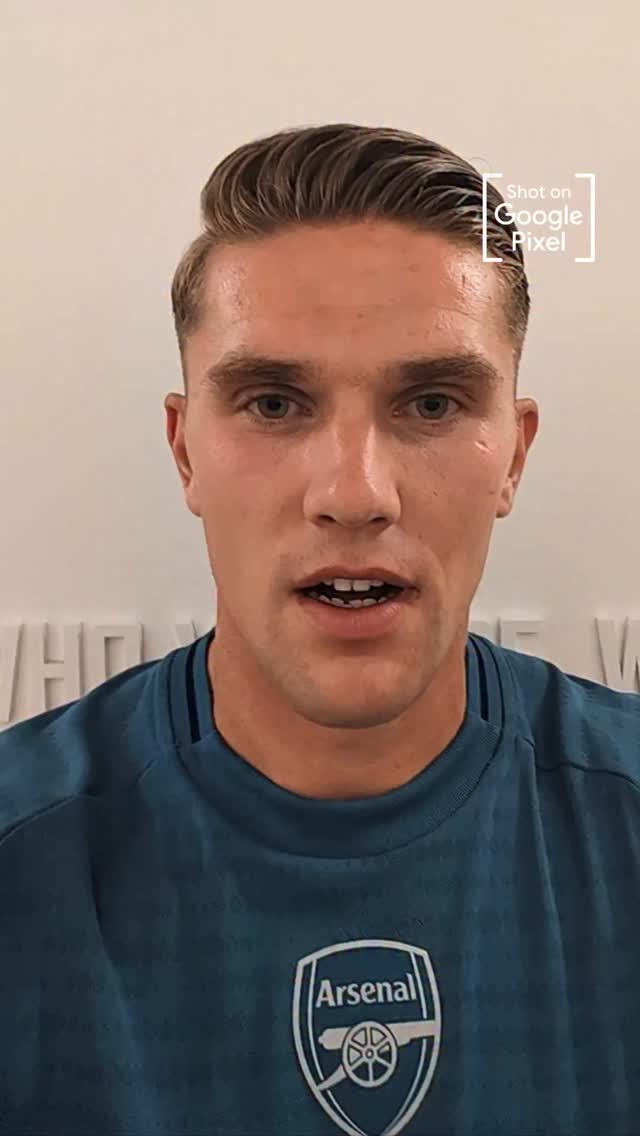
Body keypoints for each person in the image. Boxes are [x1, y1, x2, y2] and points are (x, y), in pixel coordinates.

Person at [1, 123, 637, 1136]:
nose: (354, 492)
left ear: (512, 457)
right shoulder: (24, 854)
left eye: (431, 401)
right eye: (273, 403)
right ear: (185, 451)